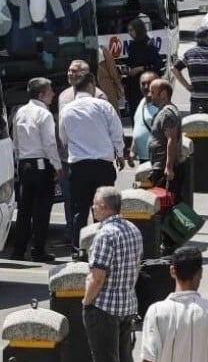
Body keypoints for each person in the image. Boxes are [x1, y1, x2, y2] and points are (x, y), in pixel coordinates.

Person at [82, 186, 143, 362]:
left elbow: (97, 276)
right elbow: (137, 267)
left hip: (104, 307)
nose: (93, 208)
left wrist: (87, 302)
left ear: (105, 207)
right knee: (124, 359)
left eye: (96, 204)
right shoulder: (133, 230)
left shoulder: (105, 235)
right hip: (127, 304)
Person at [59, 71, 124, 253]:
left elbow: (63, 138)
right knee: (104, 208)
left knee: (79, 210)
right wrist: (119, 153)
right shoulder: (103, 106)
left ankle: (77, 249)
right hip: (102, 166)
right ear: (91, 86)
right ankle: (102, 247)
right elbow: (116, 132)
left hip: (78, 166)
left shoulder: (67, 110)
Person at [10, 77, 61, 262]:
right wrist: (57, 165)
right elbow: (49, 143)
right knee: (41, 209)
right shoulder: (44, 114)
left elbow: (15, 141)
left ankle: (18, 250)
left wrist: (18, 163)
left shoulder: (20, 112)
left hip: (25, 164)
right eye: (50, 91)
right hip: (41, 164)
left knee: (24, 210)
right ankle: (38, 250)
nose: (53, 94)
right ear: (41, 94)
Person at [172, 25, 208, 118]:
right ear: (205, 39)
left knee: (197, 127)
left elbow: (174, 68)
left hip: (197, 98)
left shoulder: (189, 53)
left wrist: (187, 86)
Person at [144, 79, 183, 196]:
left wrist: (168, 167)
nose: (149, 95)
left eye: (152, 92)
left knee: (163, 204)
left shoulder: (167, 113)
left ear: (163, 94)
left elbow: (171, 139)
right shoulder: (164, 111)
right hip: (159, 165)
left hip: (162, 167)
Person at [123, 16, 167, 105]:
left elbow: (159, 65)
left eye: (132, 30)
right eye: (129, 30)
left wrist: (141, 68)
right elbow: (131, 62)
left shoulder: (149, 46)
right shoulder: (132, 46)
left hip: (148, 86)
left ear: (138, 30)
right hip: (134, 86)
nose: (130, 33)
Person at [130, 71, 161, 163]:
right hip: (143, 159)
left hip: (157, 160)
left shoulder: (162, 107)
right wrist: (133, 150)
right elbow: (139, 127)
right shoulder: (142, 102)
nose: (147, 87)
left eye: (150, 83)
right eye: (143, 84)